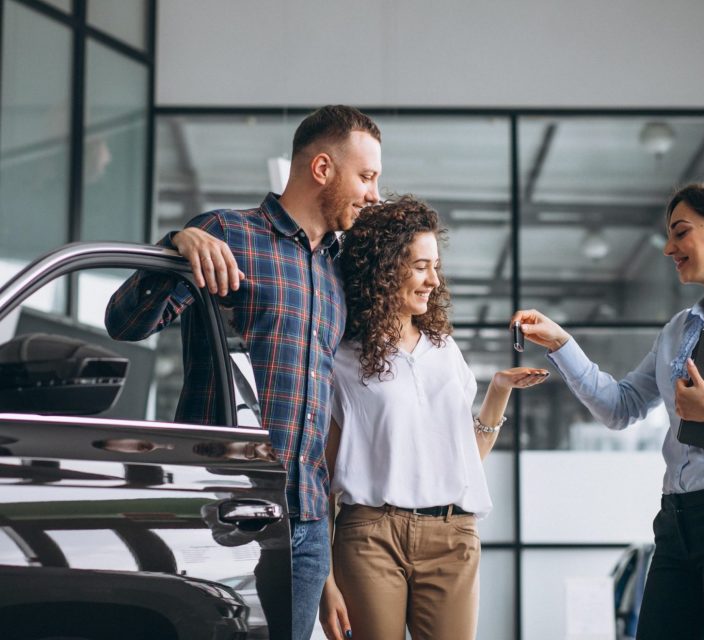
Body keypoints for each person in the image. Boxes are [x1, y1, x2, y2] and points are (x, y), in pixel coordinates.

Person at [105, 105, 382, 640]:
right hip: (225, 514)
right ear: (322, 168)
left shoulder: (338, 271)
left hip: (304, 525)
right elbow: (125, 323)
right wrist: (174, 247)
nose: (373, 193)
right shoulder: (225, 233)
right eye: (366, 176)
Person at [512, 180, 704, 640]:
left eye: (681, 232)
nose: (669, 247)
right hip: (676, 519)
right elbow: (620, 407)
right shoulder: (677, 330)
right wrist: (561, 343)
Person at [319, 196, 549, 640]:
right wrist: (325, 582)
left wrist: (498, 391)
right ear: (384, 270)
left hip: (452, 535)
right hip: (370, 536)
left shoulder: (445, 352)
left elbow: (466, 457)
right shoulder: (342, 359)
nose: (433, 280)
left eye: (435, 266)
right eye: (421, 266)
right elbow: (322, 478)